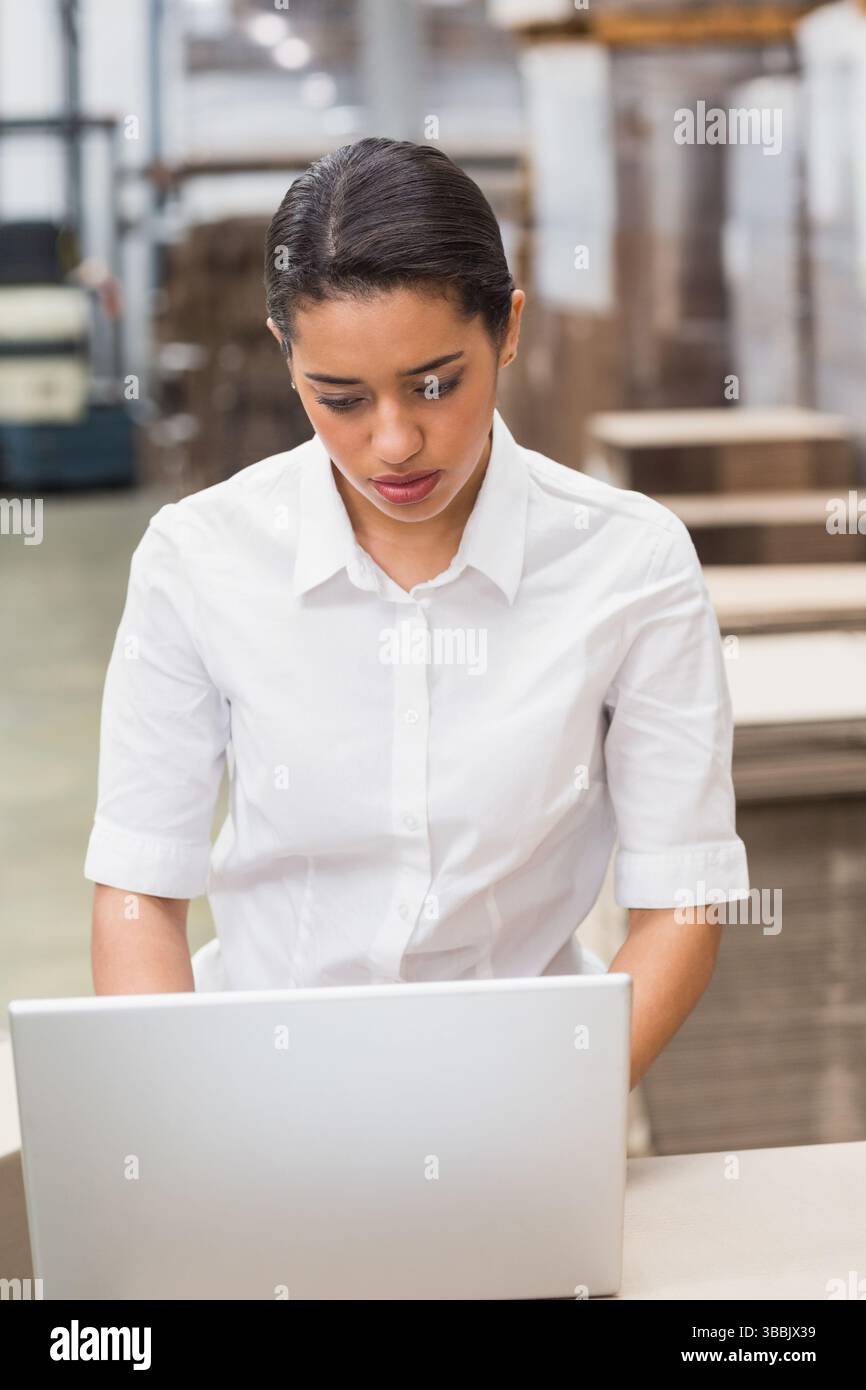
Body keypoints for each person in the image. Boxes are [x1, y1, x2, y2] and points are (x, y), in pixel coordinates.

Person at [86, 137, 749, 1091]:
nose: (393, 444)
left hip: (527, 1090)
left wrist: (550, 1110)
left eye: (436, 384)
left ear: (509, 328)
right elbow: (140, 894)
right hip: (259, 1090)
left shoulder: (629, 565)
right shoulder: (201, 560)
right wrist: (189, 1123)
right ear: (286, 356)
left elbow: (682, 901)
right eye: (340, 398)